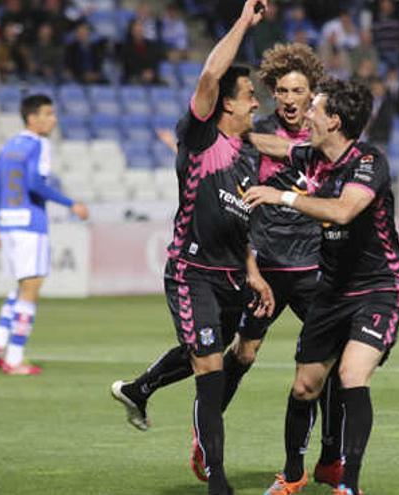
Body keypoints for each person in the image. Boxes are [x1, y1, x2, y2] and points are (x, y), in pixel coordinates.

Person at [108, 3, 273, 494]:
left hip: (230, 278)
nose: (255, 105)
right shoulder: (201, 138)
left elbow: (241, 227)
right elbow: (210, 73)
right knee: (209, 366)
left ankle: (140, 389)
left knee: (206, 352)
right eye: (248, 97)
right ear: (225, 103)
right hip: (190, 271)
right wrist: (244, 22)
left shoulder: (248, 160)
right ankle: (216, 480)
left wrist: (254, 272)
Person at [245, 78, 399, 495]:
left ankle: (348, 485)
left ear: (334, 120)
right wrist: (233, 133)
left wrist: (282, 197)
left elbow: (342, 211)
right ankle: (293, 474)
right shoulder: (314, 155)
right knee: (304, 386)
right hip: (332, 290)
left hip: (379, 287)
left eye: (314, 107)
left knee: (352, 374)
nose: (306, 112)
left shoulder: (368, 161)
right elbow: (279, 148)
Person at [0, 95, 89, 376]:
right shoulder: (39, 144)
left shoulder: (9, 146)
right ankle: (14, 358)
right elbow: (34, 183)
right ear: (32, 119)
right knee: (30, 290)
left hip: (7, 221)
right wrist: (71, 204)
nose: (53, 119)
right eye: (48, 113)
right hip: (30, 223)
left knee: (21, 285)